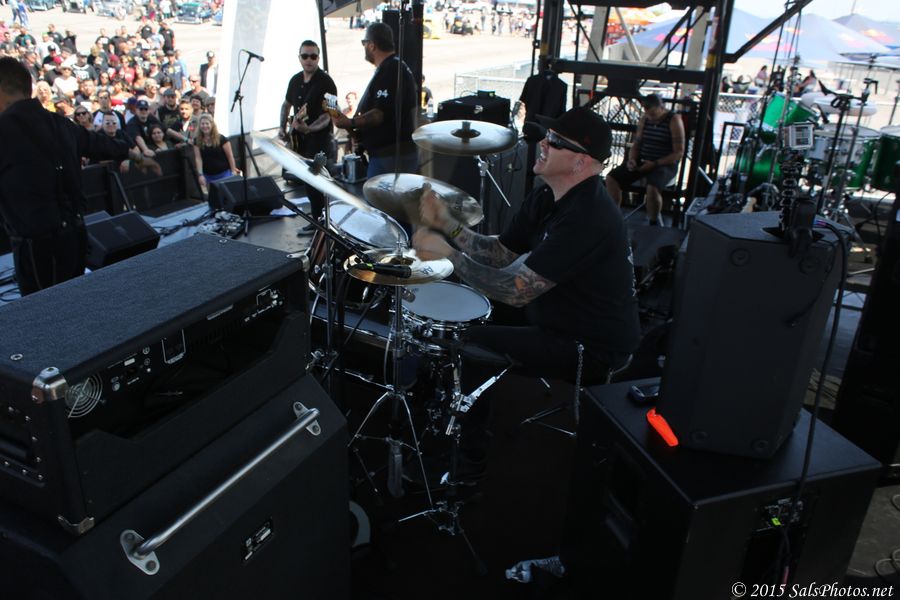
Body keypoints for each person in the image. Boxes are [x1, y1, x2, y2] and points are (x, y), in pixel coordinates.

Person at [411, 106, 640, 478]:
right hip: (556, 313)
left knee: (469, 343)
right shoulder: (547, 197)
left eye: (555, 141)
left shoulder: (589, 216)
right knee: (471, 312)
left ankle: (468, 462)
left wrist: (449, 256)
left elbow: (517, 292)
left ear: (581, 162)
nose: (543, 144)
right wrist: (448, 225)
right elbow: (500, 253)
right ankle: (450, 411)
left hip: (591, 344)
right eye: (547, 137)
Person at [0, 57, 160, 295]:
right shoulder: (60, 123)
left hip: (36, 247)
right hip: (75, 236)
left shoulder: (4, 130)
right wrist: (136, 156)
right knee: (73, 300)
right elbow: (97, 143)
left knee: (42, 309)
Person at [330, 22, 418, 178]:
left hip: (389, 157)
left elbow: (379, 114)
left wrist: (351, 122)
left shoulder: (390, 70)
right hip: (391, 155)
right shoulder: (394, 67)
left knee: (379, 194)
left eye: (364, 43)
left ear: (371, 45)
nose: (364, 47)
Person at [279, 39, 337, 229]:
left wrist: (310, 129)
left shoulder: (327, 82)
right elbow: (286, 105)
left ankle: (325, 223)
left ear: (318, 58)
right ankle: (317, 220)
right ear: (299, 58)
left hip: (320, 140)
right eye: (305, 56)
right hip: (300, 140)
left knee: (317, 180)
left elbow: (330, 114)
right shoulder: (295, 80)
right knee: (307, 180)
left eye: (313, 56)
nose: (309, 60)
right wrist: (282, 128)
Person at [605, 93, 684, 226]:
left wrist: (655, 164)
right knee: (611, 178)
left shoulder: (674, 120)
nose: (650, 117)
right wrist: (632, 160)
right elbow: (636, 145)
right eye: (647, 114)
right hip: (643, 160)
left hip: (665, 164)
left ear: (661, 108)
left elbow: (678, 153)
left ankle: (653, 221)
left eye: (653, 114)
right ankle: (614, 217)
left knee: (652, 188)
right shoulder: (645, 119)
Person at [193, 112, 240, 187]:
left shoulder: (221, 139)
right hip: (208, 176)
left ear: (212, 125)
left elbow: (230, 156)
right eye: (202, 124)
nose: (205, 126)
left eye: (207, 123)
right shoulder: (197, 141)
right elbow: (198, 158)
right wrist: (200, 175)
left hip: (224, 174)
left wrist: (233, 171)